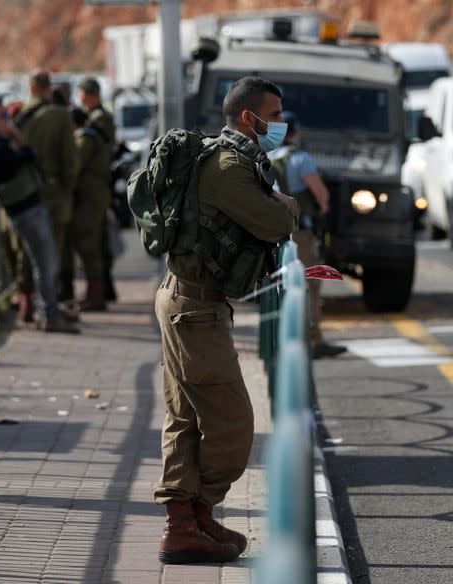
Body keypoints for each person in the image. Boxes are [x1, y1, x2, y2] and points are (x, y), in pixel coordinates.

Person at [155, 77, 298, 564]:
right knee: (234, 422)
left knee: (186, 419)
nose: (280, 124)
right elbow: (277, 223)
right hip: (194, 309)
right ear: (247, 118)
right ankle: (195, 510)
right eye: (274, 115)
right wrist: (287, 204)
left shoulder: (229, 158)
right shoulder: (230, 166)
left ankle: (187, 525)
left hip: (188, 302)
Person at [0, 98, 79, 334]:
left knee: (45, 263)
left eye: (7, 115)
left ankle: (49, 312)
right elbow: (24, 158)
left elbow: (31, 154)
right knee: (45, 264)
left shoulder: (4, 143)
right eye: (2, 116)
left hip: (31, 208)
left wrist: (14, 136)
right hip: (24, 212)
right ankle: (50, 315)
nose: (7, 120)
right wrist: (15, 139)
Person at [269, 112, 347, 359]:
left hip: (275, 233)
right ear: (295, 132)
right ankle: (313, 340)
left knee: (283, 286)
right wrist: (323, 208)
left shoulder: (267, 158)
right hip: (300, 231)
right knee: (310, 285)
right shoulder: (300, 158)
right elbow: (320, 192)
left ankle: (282, 338)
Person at [13, 70, 78, 289]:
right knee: (52, 248)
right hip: (54, 190)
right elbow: (70, 157)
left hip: (24, 190)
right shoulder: (60, 115)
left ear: (31, 88)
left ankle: (26, 298)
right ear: (48, 87)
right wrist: (69, 184)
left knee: (27, 248)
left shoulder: (20, 114)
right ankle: (50, 301)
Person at [60, 107, 112, 311]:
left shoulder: (85, 139)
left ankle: (96, 296)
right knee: (88, 244)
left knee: (87, 244)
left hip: (90, 199)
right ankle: (93, 293)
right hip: (93, 198)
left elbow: (75, 165)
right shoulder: (92, 137)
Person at [77, 76, 120, 304]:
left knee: (94, 240)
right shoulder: (99, 116)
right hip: (101, 185)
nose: (80, 97)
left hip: (96, 186)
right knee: (100, 239)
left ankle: (100, 291)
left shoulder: (98, 118)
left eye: (82, 92)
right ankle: (105, 288)